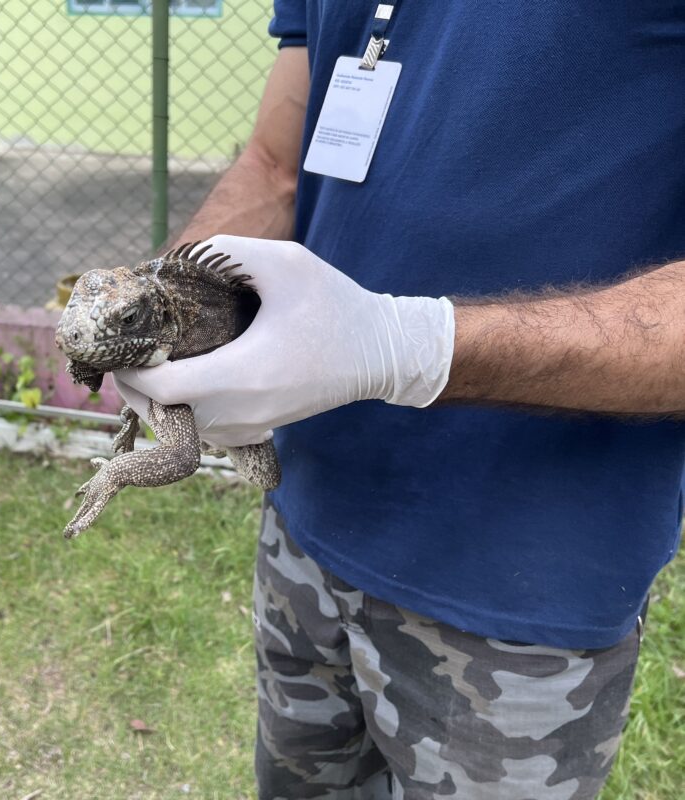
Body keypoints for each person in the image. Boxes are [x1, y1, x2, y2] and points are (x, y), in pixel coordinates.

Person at [114, 2, 685, 798]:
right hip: (304, 514)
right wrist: (157, 304)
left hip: (520, 577)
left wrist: (409, 345)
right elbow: (276, 165)